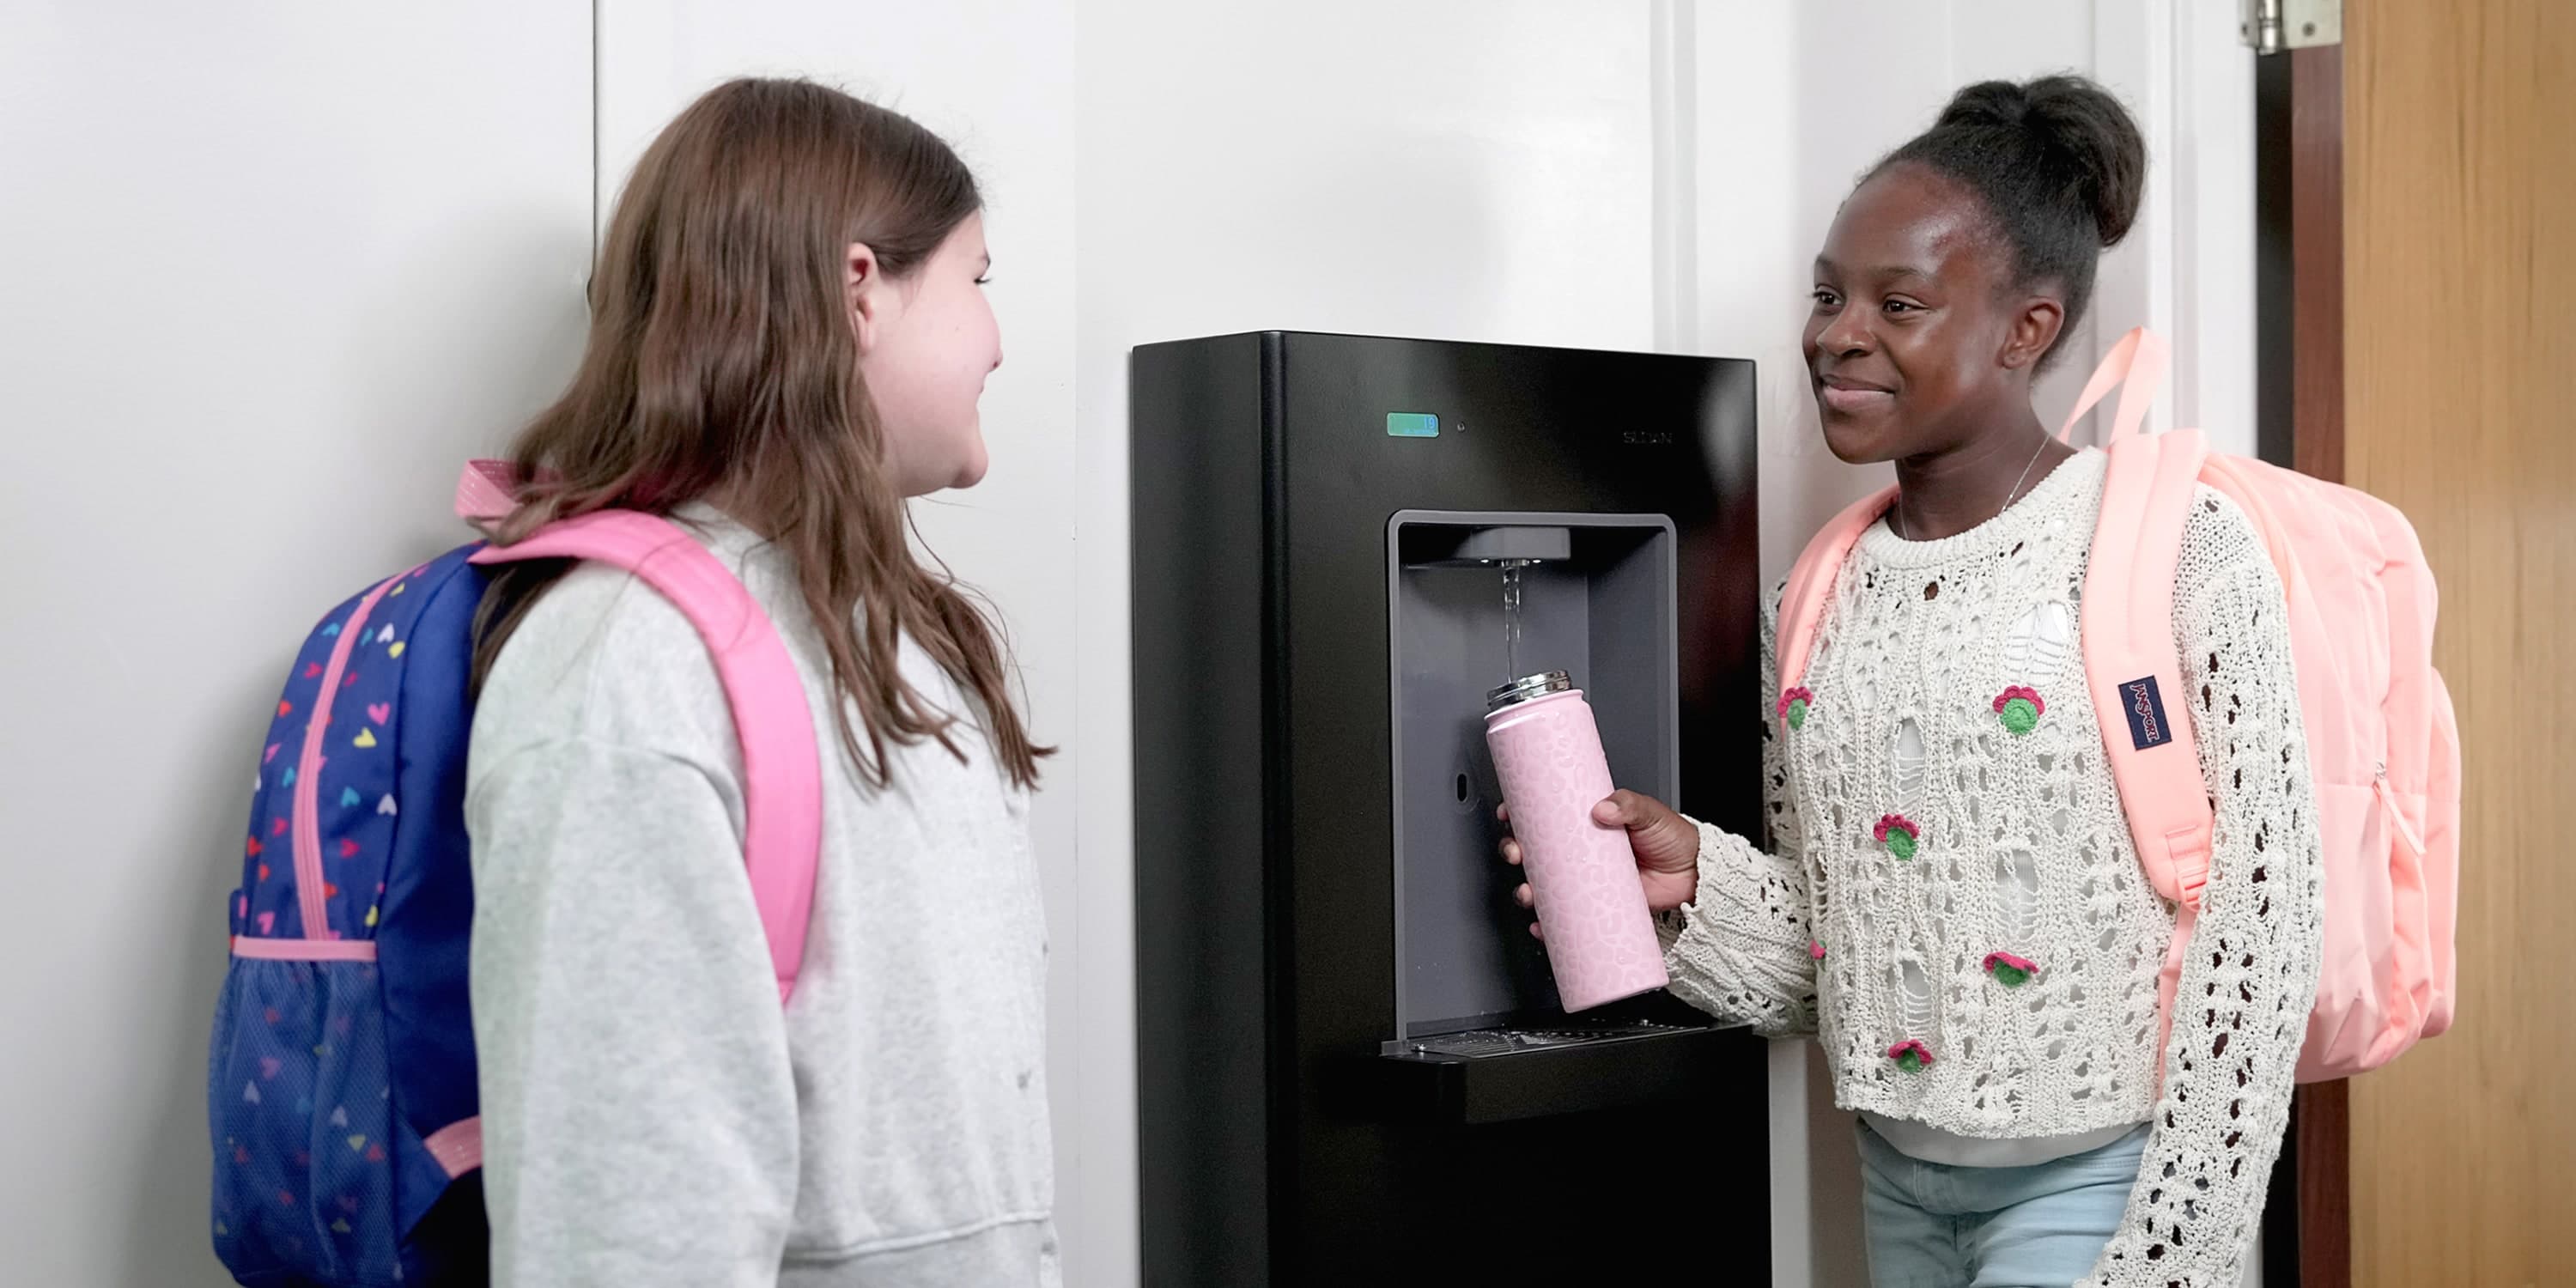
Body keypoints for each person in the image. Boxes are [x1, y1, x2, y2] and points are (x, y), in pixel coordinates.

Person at [1503, 75, 2322, 1287]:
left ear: (2025, 328)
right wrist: (1694, 890)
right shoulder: (1817, 596)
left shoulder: (2181, 548)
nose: (1838, 332)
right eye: (1829, 294)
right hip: (1896, 1181)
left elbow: (2266, 930)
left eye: (1899, 302)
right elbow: (1841, 950)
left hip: (2103, 1187)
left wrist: (2175, 1250)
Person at [464, 78, 1058, 1286]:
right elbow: (620, 1239)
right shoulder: (625, 673)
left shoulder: (902, 638)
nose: (999, 336)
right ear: (859, 293)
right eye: (978, 280)